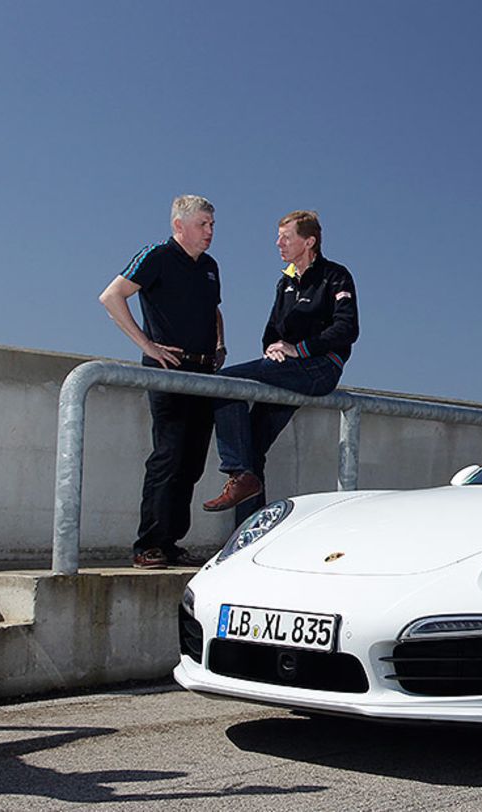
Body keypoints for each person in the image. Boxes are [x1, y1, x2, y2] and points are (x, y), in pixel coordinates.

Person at [202, 210, 358, 514]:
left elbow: (347, 329)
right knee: (253, 448)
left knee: (223, 383)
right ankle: (249, 538)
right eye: (278, 236)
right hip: (285, 371)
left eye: (286, 237)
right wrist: (272, 351)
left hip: (319, 369)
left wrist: (298, 349)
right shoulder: (284, 282)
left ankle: (237, 472)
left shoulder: (335, 275)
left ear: (309, 241)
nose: (278, 243)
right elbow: (273, 331)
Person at [99, 195, 225, 569]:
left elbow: (214, 309)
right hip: (169, 371)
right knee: (168, 456)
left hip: (205, 374)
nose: (209, 232)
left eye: (212, 225)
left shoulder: (211, 266)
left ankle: (170, 543)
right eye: (203, 224)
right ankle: (148, 544)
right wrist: (148, 345)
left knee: (192, 461)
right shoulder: (156, 255)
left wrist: (219, 344)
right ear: (179, 226)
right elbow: (111, 296)